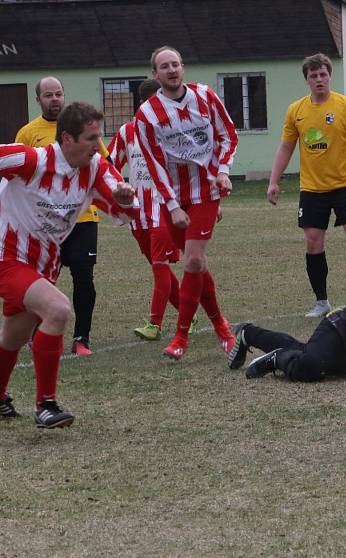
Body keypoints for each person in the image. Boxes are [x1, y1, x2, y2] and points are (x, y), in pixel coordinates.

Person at [0, 102, 137, 427]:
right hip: (7, 257)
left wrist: (124, 197)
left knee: (14, 336)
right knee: (59, 310)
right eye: (91, 138)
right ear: (67, 139)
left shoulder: (95, 168)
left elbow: (119, 197)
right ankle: (46, 404)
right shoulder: (32, 159)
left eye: (98, 136)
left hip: (43, 264)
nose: (97, 144)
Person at [136, 46, 239, 360]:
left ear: (183, 68)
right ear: (156, 74)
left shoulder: (205, 96)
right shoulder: (147, 114)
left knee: (193, 260)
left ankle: (181, 336)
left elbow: (228, 135)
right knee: (198, 264)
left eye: (176, 64)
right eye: (164, 66)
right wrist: (171, 205)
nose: (171, 70)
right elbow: (153, 164)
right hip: (173, 199)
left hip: (206, 192)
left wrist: (222, 171)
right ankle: (220, 323)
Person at [267, 53, 346, 317]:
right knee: (313, 242)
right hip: (312, 189)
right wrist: (273, 181)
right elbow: (286, 146)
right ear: (307, 80)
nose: (319, 79)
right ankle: (321, 302)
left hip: (345, 186)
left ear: (330, 76)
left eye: (323, 74)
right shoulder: (297, 110)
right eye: (313, 75)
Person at [15, 76, 109, 356]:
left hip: (82, 220)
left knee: (83, 277)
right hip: (45, 223)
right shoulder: (28, 133)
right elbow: (20, 175)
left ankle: (82, 339)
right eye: (48, 95)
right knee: (42, 282)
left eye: (58, 94)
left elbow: (103, 165)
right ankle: (37, 334)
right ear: (38, 100)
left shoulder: (84, 129)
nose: (54, 99)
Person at [109, 78, 197, 341]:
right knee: (160, 269)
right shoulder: (128, 131)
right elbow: (110, 163)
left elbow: (193, 165)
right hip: (139, 213)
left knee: (159, 266)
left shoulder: (173, 129)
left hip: (165, 208)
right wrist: (118, 187)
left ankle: (154, 325)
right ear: (143, 103)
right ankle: (187, 314)